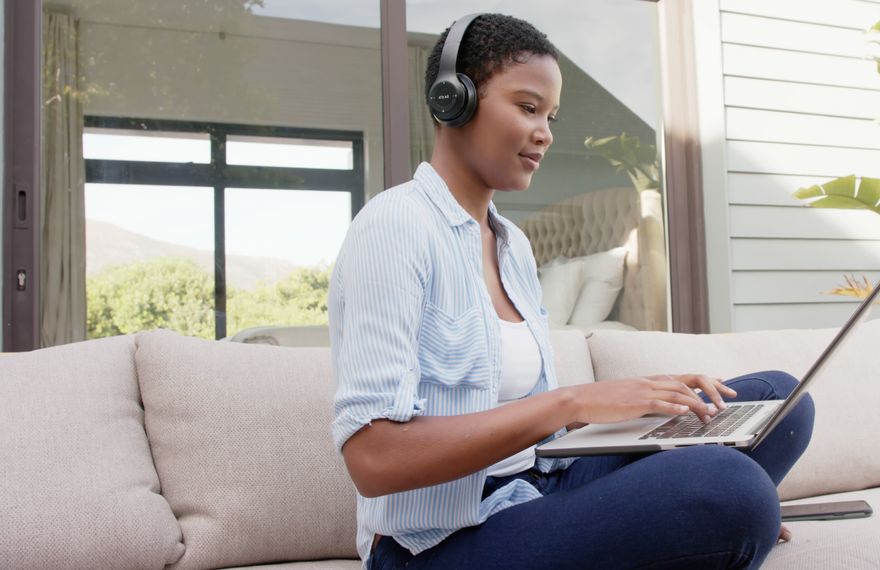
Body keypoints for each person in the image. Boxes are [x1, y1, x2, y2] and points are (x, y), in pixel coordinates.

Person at [328, 13, 814, 570]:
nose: (546, 133)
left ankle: (701, 528)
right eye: (528, 108)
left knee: (778, 401)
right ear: (453, 100)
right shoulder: (394, 228)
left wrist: (641, 401)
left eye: (551, 116)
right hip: (435, 539)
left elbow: (530, 421)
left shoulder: (511, 245)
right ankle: (718, 520)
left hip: (538, 485)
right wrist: (575, 401)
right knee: (733, 488)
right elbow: (374, 458)